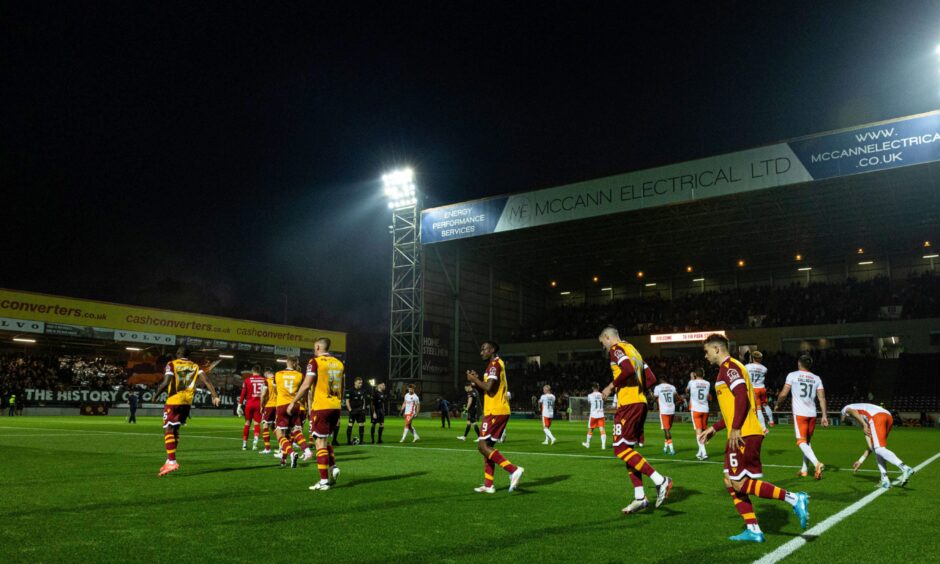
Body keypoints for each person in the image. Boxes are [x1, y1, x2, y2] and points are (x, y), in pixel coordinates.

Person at [698, 334, 809, 543]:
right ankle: (753, 529)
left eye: (706, 351)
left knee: (739, 484)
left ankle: (794, 499)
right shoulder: (727, 369)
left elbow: (742, 396)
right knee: (730, 481)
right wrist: (715, 428)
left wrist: (736, 428)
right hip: (742, 432)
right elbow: (734, 407)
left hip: (745, 433)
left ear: (716, 349)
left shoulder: (730, 367)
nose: (705, 356)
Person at [598, 326, 672, 514]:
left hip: (629, 405)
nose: (604, 347)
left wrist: (610, 387)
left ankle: (660, 480)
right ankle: (640, 497)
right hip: (640, 402)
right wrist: (639, 391)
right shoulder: (633, 350)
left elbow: (628, 369)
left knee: (620, 449)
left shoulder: (616, 349)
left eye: (603, 342)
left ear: (608, 337)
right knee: (628, 450)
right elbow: (651, 377)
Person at [465, 340, 524, 493]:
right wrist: (477, 381)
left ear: (492, 350)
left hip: (495, 411)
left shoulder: (494, 365)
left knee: (482, 446)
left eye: (484, 349)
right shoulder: (494, 365)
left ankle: (513, 470)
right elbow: (488, 387)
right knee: (487, 448)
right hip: (496, 410)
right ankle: (489, 485)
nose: (481, 352)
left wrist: (474, 380)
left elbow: (489, 388)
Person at [153, 348, 221, 477]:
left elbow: (166, 381)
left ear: (177, 354)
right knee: (175, 429)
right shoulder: (195, 366)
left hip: (174, 400)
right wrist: (215, 395)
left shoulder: (172, 364)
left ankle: (172, 461)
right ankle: (169, 460)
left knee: (168, 429)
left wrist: (156, 394)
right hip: (187, 402)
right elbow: (206, 380)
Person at [290, 337, 345, 491]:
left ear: (319, 347)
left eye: (315, 347)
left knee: (319, 443)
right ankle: (332, 468)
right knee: (325, 441)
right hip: (335, 406)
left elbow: (306, 384)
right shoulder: (339, 363)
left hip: (322, 406)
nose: (314, 350)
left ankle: (324, 481)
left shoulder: (315, 362)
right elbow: (342, 386)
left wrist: (294, 401)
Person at [776, 355, 828, 479]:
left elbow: (783, 393)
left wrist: (777, 404)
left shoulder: (792, 375)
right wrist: (824, 415)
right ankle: (804, 469)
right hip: (812, 414)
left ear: (799, 363)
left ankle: (817, 464)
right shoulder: (816, 378)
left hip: (800, 413)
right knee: (807, 442)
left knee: (800, 441)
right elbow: (822, 398)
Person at [841, 402, 914, 488]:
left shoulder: (846, 409)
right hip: (888, 416)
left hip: (876, 417)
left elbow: (850, 410)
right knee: (878, 449)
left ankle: (905, 468)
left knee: (879, 449)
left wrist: (864, 425)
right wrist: (860, 461)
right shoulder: (863, 419)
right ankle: (885, 480)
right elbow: (871, 446)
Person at [273, 357, 312, 468]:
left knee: (280, 434)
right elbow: (304, 390)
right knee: (295, 431)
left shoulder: (278, 374)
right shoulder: (299, 375)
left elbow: (276, 390)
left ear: (287, 362)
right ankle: (305, 450)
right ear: (294, 363)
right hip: (295, 405)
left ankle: (291, 453)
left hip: (281, 404)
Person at [237, 365, 266, 450]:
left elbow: (243, 393)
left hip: (249, 404)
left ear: (252, 371)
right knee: (257, 424)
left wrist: (239, 405)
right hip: (259, 404)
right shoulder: (264, 380)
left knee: (247, 423)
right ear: (260, 371)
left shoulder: (247, 380)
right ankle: (255, 444)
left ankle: (244, 444)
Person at [686, 368, 712, 460]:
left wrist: (691, 378)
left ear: (695, 375)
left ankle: (704, 453)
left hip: (696, 409)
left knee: (698, 432)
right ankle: (700, 452)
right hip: (705, 409)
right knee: (704, 431)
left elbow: (686, 390)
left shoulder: (691, 382)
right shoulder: (708, 383)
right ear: (703, 374)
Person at [744, 351, 774, 429]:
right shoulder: (764, 368)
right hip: (762, 388)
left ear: (753, 358)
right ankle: (771, 421)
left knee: (758, 409)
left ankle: (763, 428)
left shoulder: (747, 366)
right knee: (765, 405)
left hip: (754, 389)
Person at [652, 378, 678, 455]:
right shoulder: (672, 387)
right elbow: (676, 397)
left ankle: (672, 449)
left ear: (660, 381)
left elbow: (654, 398)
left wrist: (652, 395)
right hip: (672, 409)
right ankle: (665, 448)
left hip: (664, 411)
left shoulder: (658, 387)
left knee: (666, 430)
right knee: (667, 430)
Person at [582, 383, 607, 449]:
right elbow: (604, 400)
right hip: (601, 414)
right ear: (598, 387)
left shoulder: (590, 395)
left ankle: (587, 444)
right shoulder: (602, 395)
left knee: (590, 429)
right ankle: (603, 445)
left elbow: (589, 403)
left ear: (592, 388)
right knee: (602, 429)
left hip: (593, 414)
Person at [258, 367, 277, 454]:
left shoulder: (267, 381)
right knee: (275, 427)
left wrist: (261, 406)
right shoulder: (278, 380)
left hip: (269, 406)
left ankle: (267, 448)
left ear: (267, 373)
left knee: (265, 425)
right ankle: (282, 446)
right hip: (278, 406)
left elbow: (263, 394)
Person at [345, 377, 367, 444]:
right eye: (359, 383)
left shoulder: (363, 391)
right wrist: (350, 410)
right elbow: (347, 401)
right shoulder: (350, 390)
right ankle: (348, 441)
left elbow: (363, 400)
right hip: (353, 411)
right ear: (355, 382)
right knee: (350, 425)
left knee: (361, 425)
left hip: (360, 411)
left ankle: (361, 441)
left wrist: (363, 408)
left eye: (361, 383)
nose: (360, 384)